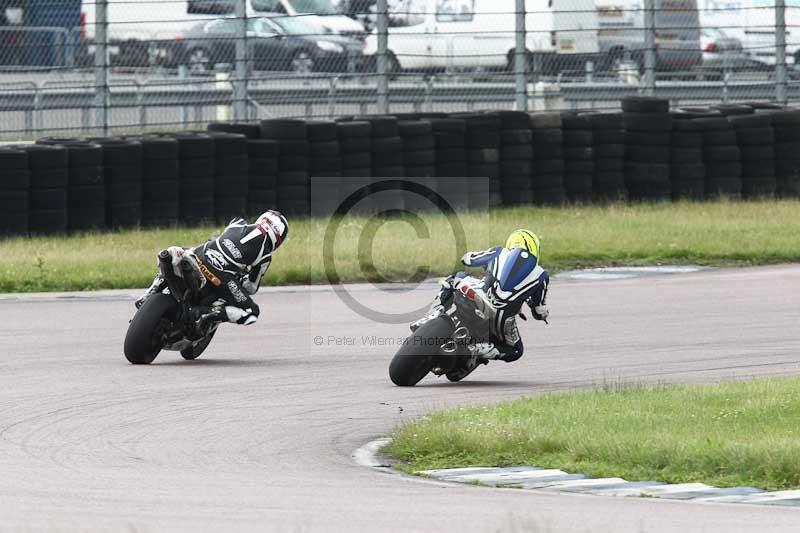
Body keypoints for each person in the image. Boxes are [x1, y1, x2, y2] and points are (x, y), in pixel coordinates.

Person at [410, 229, 549, 380]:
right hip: (502, 318)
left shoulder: (499, 252)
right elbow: (539, 310)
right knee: (515, 351)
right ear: (535, 249)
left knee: (456, 278)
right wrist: (541, 315)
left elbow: (468, 259)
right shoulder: (542, 276)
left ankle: (433, 314)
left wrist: (484, 265)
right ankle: (475, 349)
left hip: (480, 294)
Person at [135, 210, 288, 327]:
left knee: (171, 254)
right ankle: (205, 315)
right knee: (252, 312)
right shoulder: (265, 256)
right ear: (278, 237)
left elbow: (220, 239)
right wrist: (242, 281)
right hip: (220, 277)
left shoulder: (237, 222)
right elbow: (251, 287)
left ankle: (150, 293)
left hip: (198, 255)